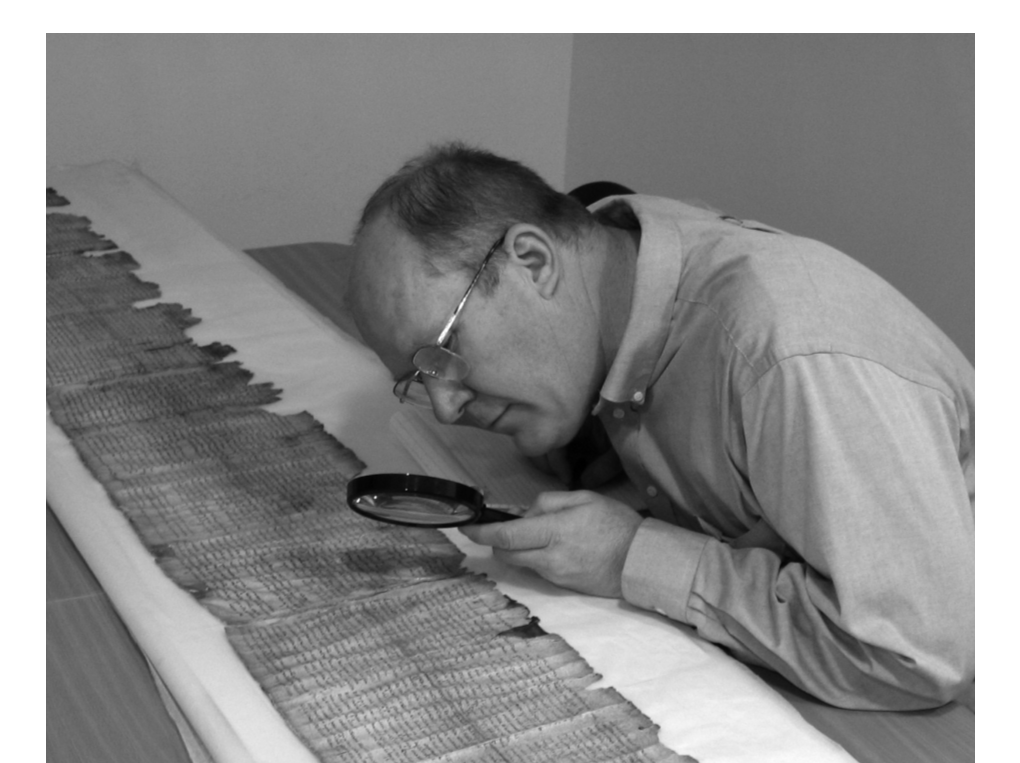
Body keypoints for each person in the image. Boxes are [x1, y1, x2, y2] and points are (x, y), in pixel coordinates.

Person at [346, 143, 974, 712]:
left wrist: (631, 556)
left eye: (443, 355)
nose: (450, 408)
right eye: (418, 380)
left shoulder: (792, 358)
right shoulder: (609, 255)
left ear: (533, 262)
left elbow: (913, 654)